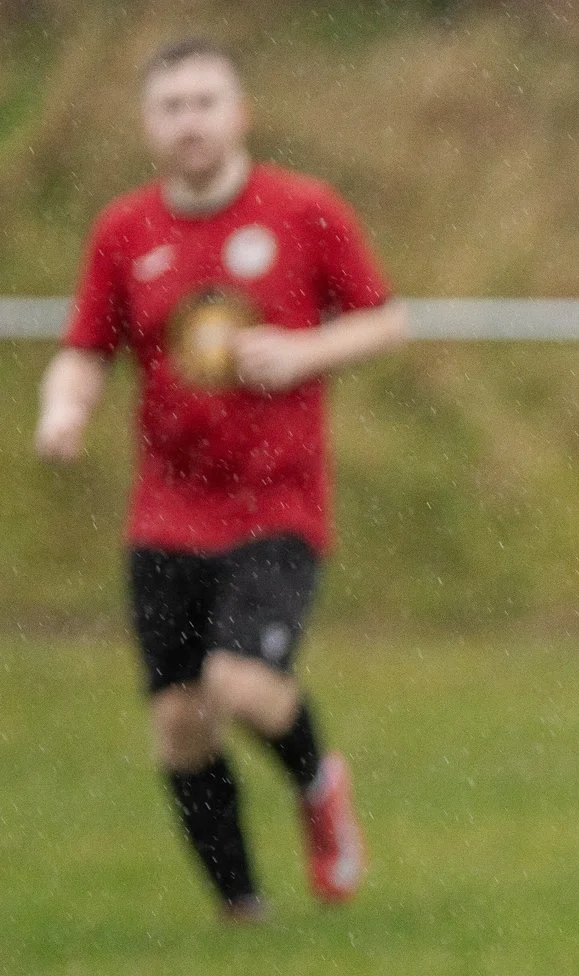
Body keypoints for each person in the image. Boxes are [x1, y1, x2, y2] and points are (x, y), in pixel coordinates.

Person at [33, 38, 405, 922]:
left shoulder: (303, 210)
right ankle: (243, 909)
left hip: (277, 503)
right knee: (180, 721)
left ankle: (319, 785)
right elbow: (86, 348)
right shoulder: (124, 232)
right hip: (166, 512)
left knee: (239, 685)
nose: (190, 121)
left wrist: (305, 350)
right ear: (147, 127)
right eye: (172, 106)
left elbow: (387, 322)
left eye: (206, 102)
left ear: (239, 114)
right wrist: (65, 410)